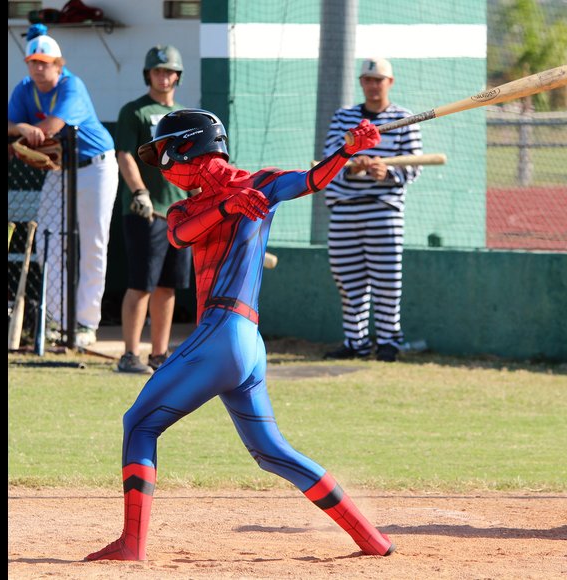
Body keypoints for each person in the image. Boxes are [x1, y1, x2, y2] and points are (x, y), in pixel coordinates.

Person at [85, 109, 395, 561]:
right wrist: (228, 206)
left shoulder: (261, 184)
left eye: (165, 154)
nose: (164, 166)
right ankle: (372, 540)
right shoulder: (187, 207)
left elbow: (311, 180)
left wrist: (346, 151)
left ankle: (132, 545)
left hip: (223, 333)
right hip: (244, 342)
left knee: (138, 424)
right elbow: (180, 235)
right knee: (272, 452)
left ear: (189, 146)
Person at [7, 31, 118, 348]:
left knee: (93, 243)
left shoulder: (72, 85)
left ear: (58, 64)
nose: (38, 68)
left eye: (45, 63)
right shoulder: (25, 88)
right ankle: (57, 320)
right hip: (60, 170)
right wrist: (21, 128)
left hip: (95, 166)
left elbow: (51, 128)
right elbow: (12, 127)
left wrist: (22, 134)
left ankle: (86, 323)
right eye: (33, 62)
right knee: (49, 241)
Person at [321, 58, 423, 363]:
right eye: (368, 79)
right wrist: (353, 168)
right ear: (361, 83)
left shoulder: (404, 119)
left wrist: (386, 172)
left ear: (390, 82)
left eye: (378, 80)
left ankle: (389, 341)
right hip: (344, 208)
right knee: (347, 279)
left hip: (384, 209)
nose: (373, 85)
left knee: (386, 279)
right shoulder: (343, 117)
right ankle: (356, 342)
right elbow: (329, 159)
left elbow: (415, 164)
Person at [114, 45, 193, 373]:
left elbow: (193, 163)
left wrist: (198, 200)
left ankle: (159, 355)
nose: (164, 77)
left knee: (168, 286)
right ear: (148, 74)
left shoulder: (186, 116)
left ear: (178, 76)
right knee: (141, 284)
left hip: (180, 213)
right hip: (145, 212)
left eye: (169, 71)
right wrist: (140, 192)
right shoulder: (135, 111)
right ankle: (130, 355)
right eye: (158, 71)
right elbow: (124, 155)